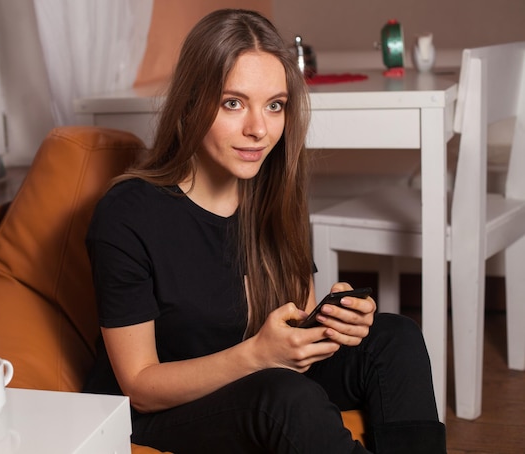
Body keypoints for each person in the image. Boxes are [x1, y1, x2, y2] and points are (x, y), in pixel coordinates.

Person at [84, 8, 446, 454]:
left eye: (274, 105)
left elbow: (299, 312)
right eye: (233, 102)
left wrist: (337, 324)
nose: (258, 130)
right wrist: (259, 355)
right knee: (284, 398)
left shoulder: (269, 191)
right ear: (192, 101)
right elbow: (139, 385)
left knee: (396, 338)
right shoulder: (126, 214)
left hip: (259, 375)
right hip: (161, 411)